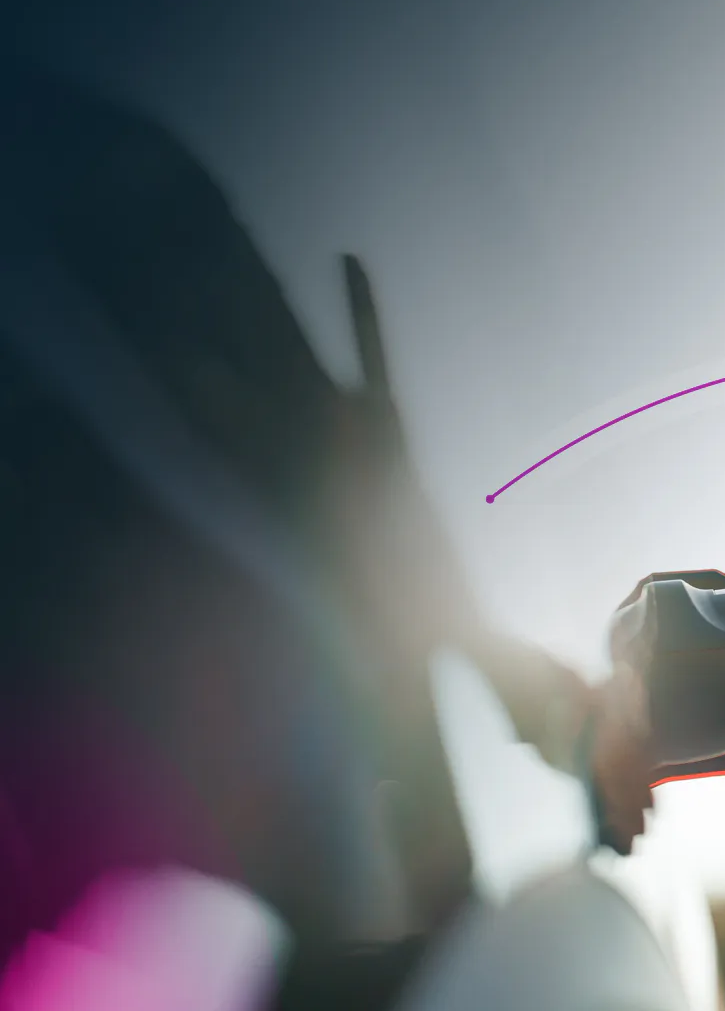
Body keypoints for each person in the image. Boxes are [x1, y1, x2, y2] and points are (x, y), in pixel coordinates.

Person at [0, 66, 659, 1009]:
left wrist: (562, 709)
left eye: (244, 277)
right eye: (194, 277)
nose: (260, 313)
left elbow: (426, 603)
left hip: (399, 942)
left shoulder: (333, 487)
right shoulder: (57, 510)